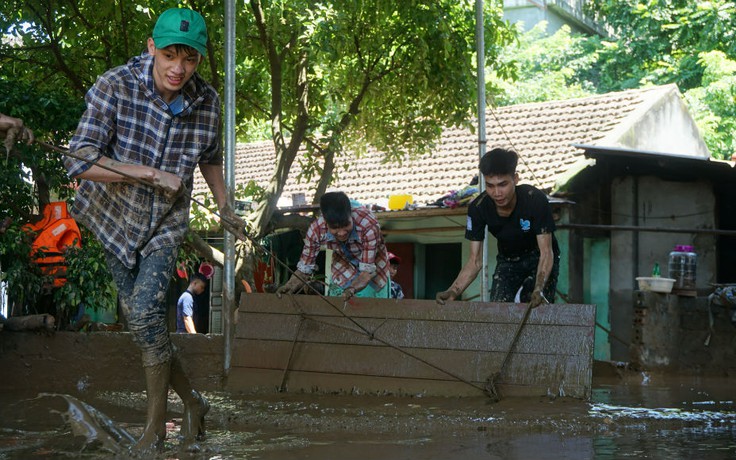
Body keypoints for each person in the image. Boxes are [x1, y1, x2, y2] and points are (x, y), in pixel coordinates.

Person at [63, 8, 242, 452]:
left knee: (144, 313)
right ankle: (193, 403)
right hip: (112, 219)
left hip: (166, 221)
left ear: (199, 60)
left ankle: (155, 429)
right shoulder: (115, 85)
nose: (178, 69)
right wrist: (147, 173)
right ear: (151, 48)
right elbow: (78, 159)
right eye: (168, 56)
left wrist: (224, 205)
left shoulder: (208, 102)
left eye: (190, 60)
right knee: (143, 326)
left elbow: (210, 157)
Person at [436, 148, 560, 308]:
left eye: (503, 185)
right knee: (498, 310)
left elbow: (546, 252)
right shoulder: (478, 208)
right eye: (490, 185)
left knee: (535, 306)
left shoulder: (535, 200)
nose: (496, 193)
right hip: (508, 261)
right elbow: (475, 261)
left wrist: (539, 288)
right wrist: (453, 291)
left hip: (539, 257)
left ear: (515, 179)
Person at [277, 191, 390, 300]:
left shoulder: (368, 224)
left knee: (371, 309)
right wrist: (289, 286)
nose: (341, 232)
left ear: (351, 215)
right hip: (342, 266)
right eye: (335, 228)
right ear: (325, 222)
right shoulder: (316, 230)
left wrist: (351, 289)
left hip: (373, 269)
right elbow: (304, 269)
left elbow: (366, 273)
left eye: (346, 225)